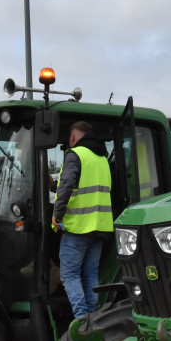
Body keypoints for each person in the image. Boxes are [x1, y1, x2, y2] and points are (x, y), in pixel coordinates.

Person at [52, 121, 113, 318]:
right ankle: (93, 319)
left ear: (72, 137)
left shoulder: (75, 154)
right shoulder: (101, 159)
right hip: (100, 228)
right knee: (90, 276)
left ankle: (81, 320)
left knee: (69, 276)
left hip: (78, 228)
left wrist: (57, 214)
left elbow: (68, 185)